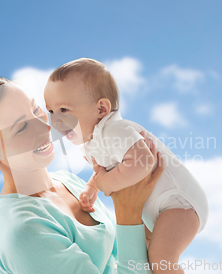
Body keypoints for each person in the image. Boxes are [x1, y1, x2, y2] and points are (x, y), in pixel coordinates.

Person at [0, 76, 164, 273]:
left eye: (36, 109)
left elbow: (120, 258)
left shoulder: (68, 182)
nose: (45, 127)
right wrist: (128, 211)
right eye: (21, 127)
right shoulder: (23, 233)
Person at [44, 58, 209, 273]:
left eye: (64, 109)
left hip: (180, 204)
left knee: (161, 259)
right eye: (51, 111)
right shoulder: (92, 142)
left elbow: (142, 162)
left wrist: (105, 182)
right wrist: (93, 187)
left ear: (102, 108)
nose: (55, 121)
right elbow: (107, 169)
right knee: (144, 256)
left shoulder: (115, 130)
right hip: (158, 209)